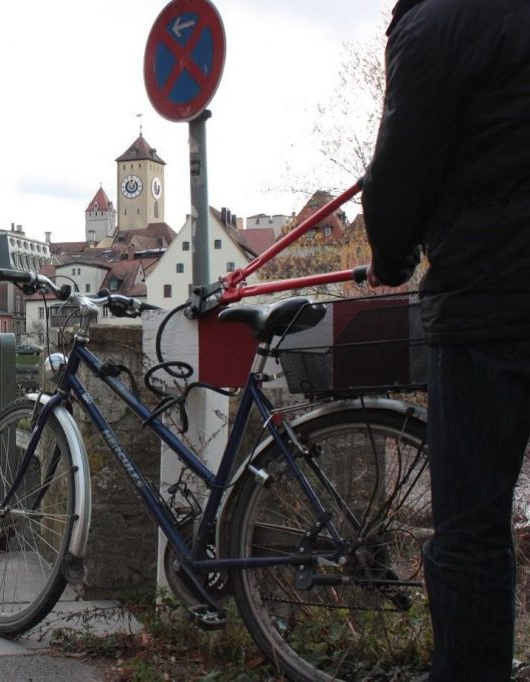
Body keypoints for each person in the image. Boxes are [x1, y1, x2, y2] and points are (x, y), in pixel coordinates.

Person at [362, 0, 530, 678]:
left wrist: (390, 257)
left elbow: (402, 168)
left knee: (471, 529)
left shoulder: (439, 21)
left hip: (493, 299)